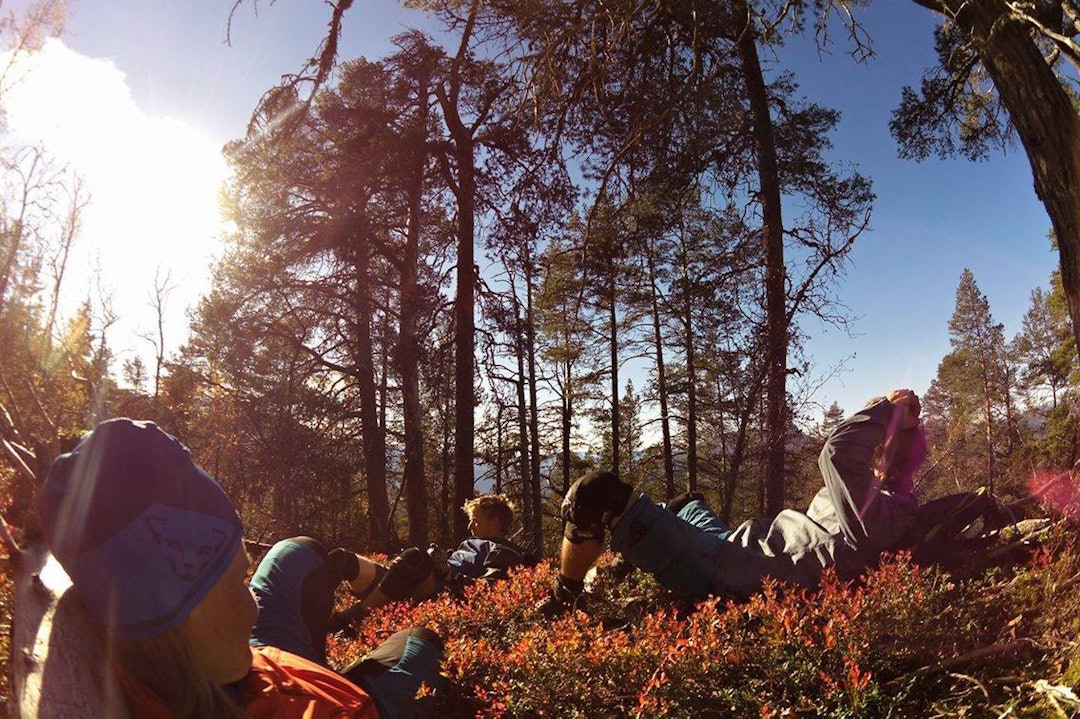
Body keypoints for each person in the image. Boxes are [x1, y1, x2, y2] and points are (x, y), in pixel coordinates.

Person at [37, 417, 443, 718]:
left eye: (243, 575)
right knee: (421, 639)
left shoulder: (165, 645)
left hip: (243, 658)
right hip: (283, 673)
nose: (253, 606)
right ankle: (382, 602)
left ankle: (362, 605)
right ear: (164, 615)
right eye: (233, 581)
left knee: (298, 550)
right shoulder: (334, 711)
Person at [537, 389, 927, 616]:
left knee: (591, 496)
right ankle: (625, 560)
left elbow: (837, 452)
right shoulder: (880, 501)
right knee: (687, 501)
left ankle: (562, 600)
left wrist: (888, 411)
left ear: (880, 453)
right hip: (736, 543)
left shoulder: (881, 513)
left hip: (725, 569)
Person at [336, 495, 537, 625]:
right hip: (411, 583)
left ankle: (350, 618)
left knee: (414, 557)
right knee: (342, 559)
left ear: (495, 522)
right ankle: (314, 615)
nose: (470, 527)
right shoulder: (471, 544)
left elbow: (488, 592)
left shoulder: (504, 552)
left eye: (475, 520)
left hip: (439, 595)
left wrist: (449, 574)